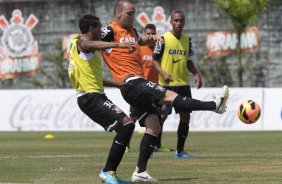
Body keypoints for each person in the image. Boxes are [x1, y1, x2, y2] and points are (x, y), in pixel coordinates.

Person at [101, 0, 229, 182]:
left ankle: (140, 172)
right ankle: (214, 105)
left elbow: (140, 39)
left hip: (136, 83)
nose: (133, 16)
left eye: (134, 13)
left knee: (154, 126)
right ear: (117, 13)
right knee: (171, 97)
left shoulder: (132, 31)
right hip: (131, 82)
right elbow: (92, 42)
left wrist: (151, 38)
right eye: (129, 13)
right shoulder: (109, 30)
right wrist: (114, 46)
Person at [67, 14, 137, 184]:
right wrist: (119, 44)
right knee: (128, 123)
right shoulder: (82, 42)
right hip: (90, 98)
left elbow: (96, 79)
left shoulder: (84, 49)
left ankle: (111, 171)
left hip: (93, 96)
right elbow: (89, 44)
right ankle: (107, 172)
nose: (102, 31)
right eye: (99, 27)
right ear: (92, 28)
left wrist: (117, 84)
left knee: (124, 128)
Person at [152, 10, 203, 158]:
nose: (178, 23)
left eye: (181, 20)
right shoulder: (163, 39)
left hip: (183, 85)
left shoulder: (188, 40)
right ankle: (152, 146)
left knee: (185, 117)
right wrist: (163, 74)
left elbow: (188, 61)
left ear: (184, 22)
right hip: (166, 85)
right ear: (171, 21)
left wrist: (196, 73)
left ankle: (179, 151)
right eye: (176, 20)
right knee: (160, 117)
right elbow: (154, 60)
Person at [132, 23, 171, 153]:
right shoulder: (139, 48)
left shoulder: (159, 48)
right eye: (148, 34)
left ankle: (156, 145)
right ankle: (125, 145)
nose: (150, 36)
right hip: (141, 88)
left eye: (152, 34)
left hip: (157, 89)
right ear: (144, 35)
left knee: (161, 117)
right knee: (132, 118)